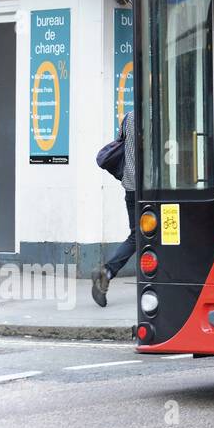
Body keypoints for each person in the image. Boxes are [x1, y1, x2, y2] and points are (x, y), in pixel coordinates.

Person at [92, 111, 136, 307]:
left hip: (131, 186)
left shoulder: (129, 116)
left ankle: (107, 273)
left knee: (138, 235)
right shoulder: (161, 112)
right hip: (153, 189)